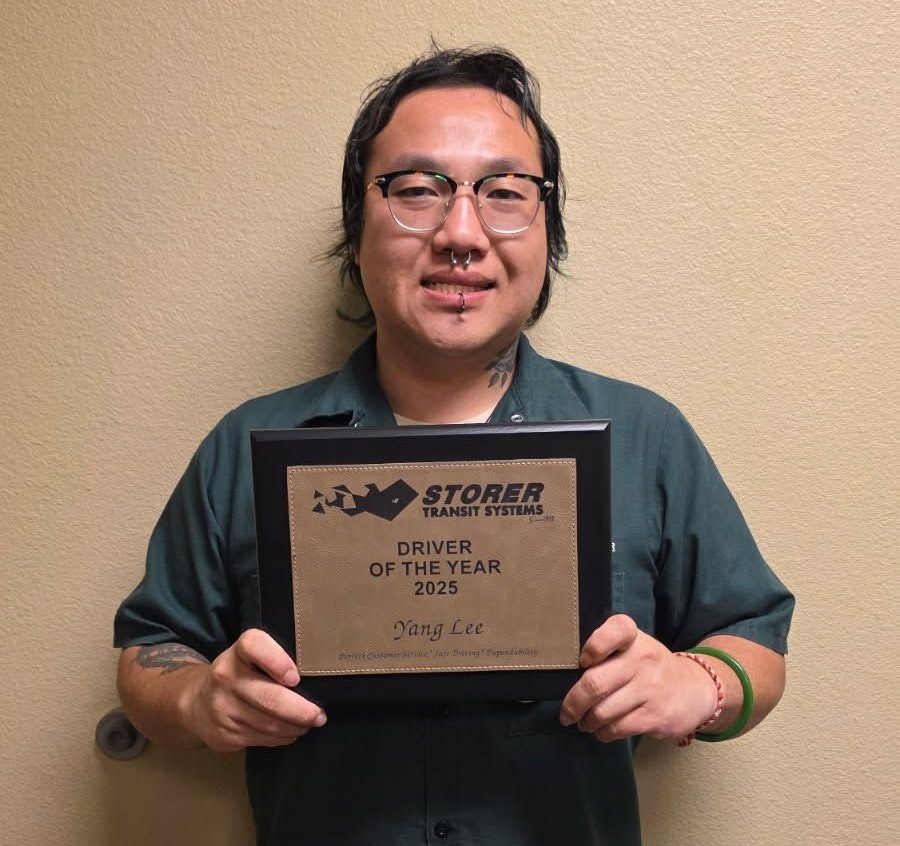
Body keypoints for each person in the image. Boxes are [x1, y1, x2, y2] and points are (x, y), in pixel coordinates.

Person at [114, 46, 794, 845]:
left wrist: (703, 687)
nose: (461, 233)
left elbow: (755, 637)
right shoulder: (246, 444)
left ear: (547, 235)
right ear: (356, 231)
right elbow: (150, 652)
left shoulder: (646, 434)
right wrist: (198, 701)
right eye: (416, 192)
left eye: (505, 193)